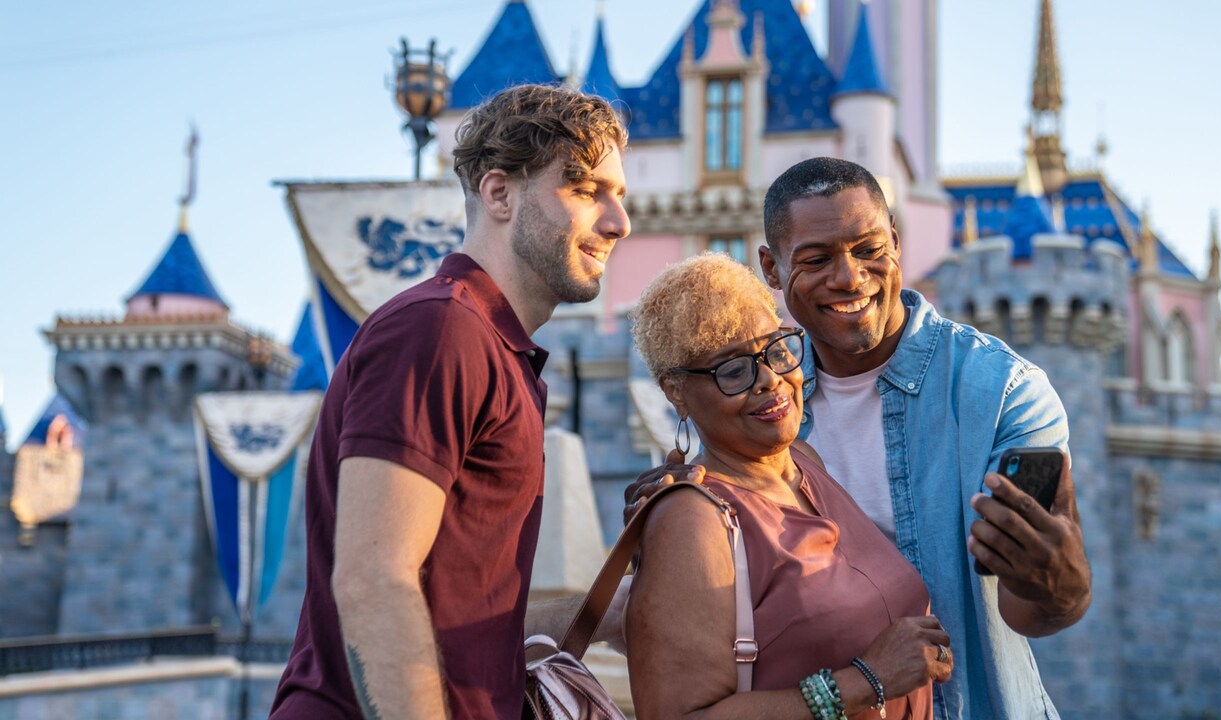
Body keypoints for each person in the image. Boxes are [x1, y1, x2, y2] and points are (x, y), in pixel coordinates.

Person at [627, 157, 1090, 719]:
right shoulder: (775, 420)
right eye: (818, 258)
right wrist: (689, 521)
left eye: (869, 249)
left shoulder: (1004, 393)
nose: (849, 277)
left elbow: (1030, 604)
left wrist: (1061, 587)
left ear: (896, 241)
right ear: (772, 269)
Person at [270, 84, 630, 720]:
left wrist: (613, 610)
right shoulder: (441, 329)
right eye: (584, 189)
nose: (618, 222)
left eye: (619, 196)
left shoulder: (498, 353)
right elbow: (374, 581)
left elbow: (467, 626)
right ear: (498, 194)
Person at [626, 253, 952, 719]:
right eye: (733, 371)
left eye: (777, 350)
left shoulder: (806, 461)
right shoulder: (692, 520)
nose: (771, 380)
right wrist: (866, 681)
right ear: (676, 392)